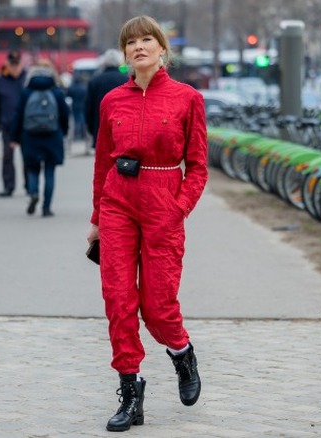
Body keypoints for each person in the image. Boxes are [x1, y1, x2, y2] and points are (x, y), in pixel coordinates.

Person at [86, 15, 208, 432]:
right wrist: (97, 219)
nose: (138, 47)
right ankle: (130, 392)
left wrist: (178, 208)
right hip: (118, 200)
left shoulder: (187, 98)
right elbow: (102, 162)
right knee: (119, 301)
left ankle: (182, 353)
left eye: (146, 40)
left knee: (157, 308)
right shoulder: (111, 101)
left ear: (161, 48)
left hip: (163, 203)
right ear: (124, 54)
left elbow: (198, 167)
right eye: (130, 42)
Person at [10, 59, 69, 217]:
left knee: (33, 169)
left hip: (30, 136)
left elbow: (17, 115)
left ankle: (34, 192)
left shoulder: (26, 92)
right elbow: (65, 114)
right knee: (50, 172)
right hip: (52, 135)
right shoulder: (56, 92)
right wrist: (63, 131)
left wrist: (14, 137)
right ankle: (46, 207)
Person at [0, 50, 27, 197]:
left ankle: (29, 185)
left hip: (25, 125)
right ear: (8, 65)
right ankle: (8, 186)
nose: (14, 68)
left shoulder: (27, 79)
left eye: (16, 65)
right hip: (7, 125)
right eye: (12, 65)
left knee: (27, 157)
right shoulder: (1, 81)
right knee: (7, 157)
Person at [84, 49, 128, 150]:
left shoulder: (95, 81)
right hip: (123, 128)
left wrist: (91, 128)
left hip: (100, 126)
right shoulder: (126, 80)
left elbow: (88, 107)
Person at [66, 74, 88, 141]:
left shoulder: (72, 88)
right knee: (83, 120)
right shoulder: (84, 87)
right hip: (83, 106)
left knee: (76, 120)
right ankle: (83, 134)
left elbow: (68, 95)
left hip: (75, 106)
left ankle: (77, 134)